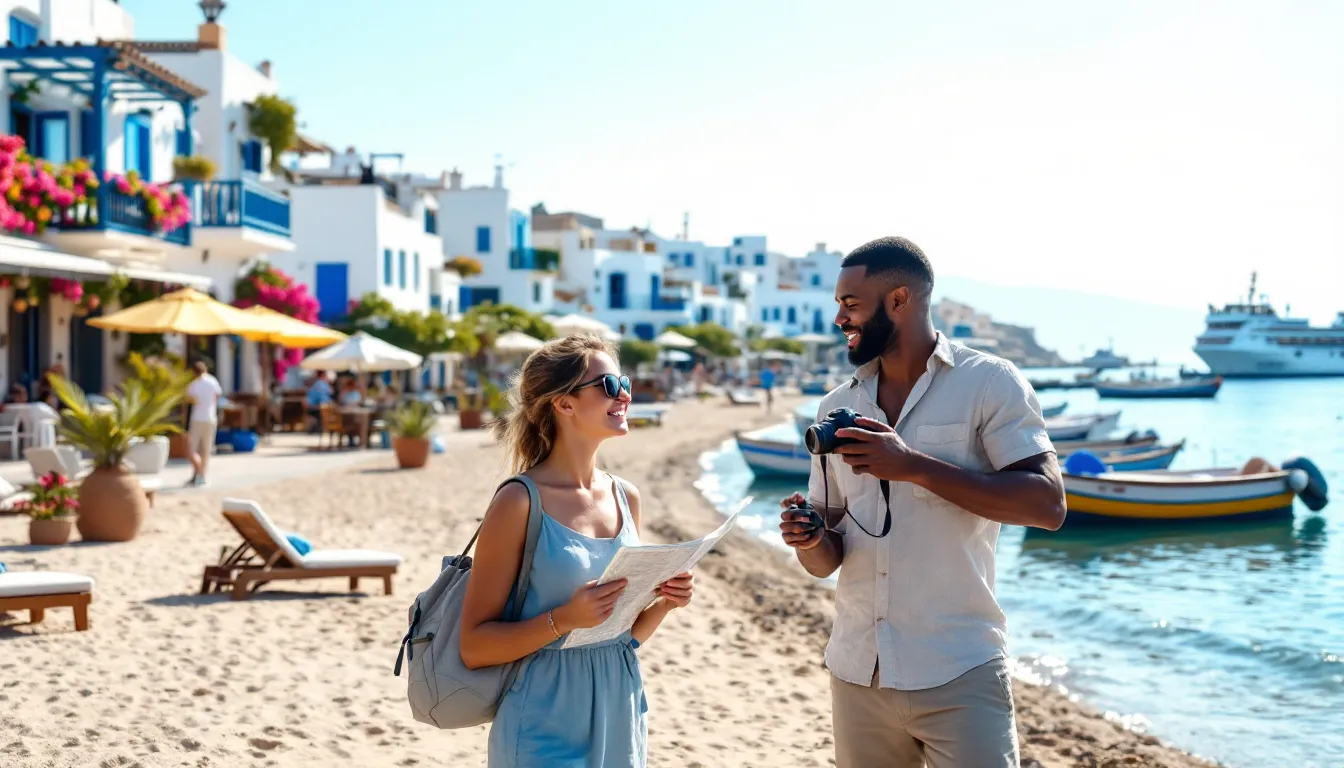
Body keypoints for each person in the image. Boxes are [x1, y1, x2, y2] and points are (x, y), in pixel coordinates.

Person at [777, 236, 1066, 768]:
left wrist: (911, 465)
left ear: (900, 300)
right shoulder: (837, 405)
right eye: (839, 303)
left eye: (850, 303)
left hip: (959, 668)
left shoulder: (990, 383)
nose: (839, 318)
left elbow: (1047, 505)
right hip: (858, 670)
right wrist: (810, 539)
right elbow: (826, 562)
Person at [459, 334, 695, 767]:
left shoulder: (627, 497)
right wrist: (563, 618)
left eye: (622, 382)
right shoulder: (518, 501)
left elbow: (617, 640)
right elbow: (474, 646)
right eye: (607, 385)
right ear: (563, 405)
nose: (624, 393)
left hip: (620, 715)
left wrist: (663, 603)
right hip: (542, 725)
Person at [185, 361, 223, 488]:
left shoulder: (194, 384)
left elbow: (189, 399)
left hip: (197, 418)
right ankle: (201, 474)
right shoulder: (212, 381)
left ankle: (198, 472)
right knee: (206, 449)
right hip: (210, 418)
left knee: (192, 449)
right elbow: (218, 395)